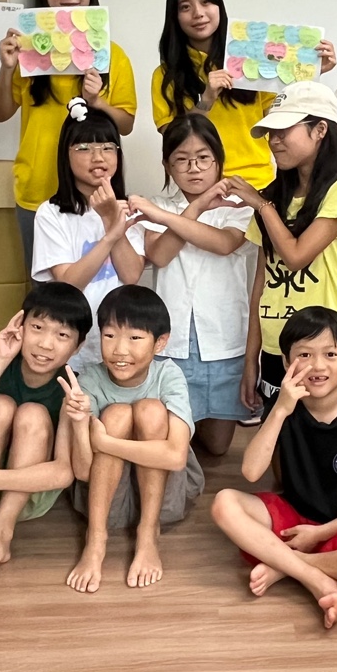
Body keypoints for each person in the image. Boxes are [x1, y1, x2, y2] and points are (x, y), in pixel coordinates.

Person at [210, 308, 337, 630]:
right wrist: (280, 410)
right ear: (287, 362)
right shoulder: (284, 408)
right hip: (295, 518)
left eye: (331, 354)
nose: (317, 365)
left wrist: (321, 534)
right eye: (304, 355)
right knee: (224, 503)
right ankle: (315, 577)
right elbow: (251, 472)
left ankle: (287, 565)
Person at [223, 81, 337, 421]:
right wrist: (251, 360)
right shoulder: (272, 197)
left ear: (320, 130)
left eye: (283, 131)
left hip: (328, 347)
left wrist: (261, 205)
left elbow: (297, 256)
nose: (274, 141)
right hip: (278, 347)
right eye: (270, 133)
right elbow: (262, 285)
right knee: (282, 443)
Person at [0, 0, 138, 272]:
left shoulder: (113, 55)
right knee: (45, 289)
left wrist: (98, 103)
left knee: (100, 281)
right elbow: (0, 113)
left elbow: (126, 124)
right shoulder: (29, 52)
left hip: (94, 194)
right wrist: (7, 68)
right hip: (37, 189)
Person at [64, 286, 204, 594]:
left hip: (164, 497)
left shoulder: (168, 375)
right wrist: (79, 423)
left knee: (151, 411)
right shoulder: (90, 380)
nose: (120, 350)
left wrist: (107, 444)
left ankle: (147, 534)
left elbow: (176, 457)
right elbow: (83, 471)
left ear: (160, 342)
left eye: (135, 338)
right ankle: (95, 539)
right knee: (115, 415)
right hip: (106, 498)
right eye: (110, 335)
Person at [128, 114, 254, 456]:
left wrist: (168, 217)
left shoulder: (239, 206)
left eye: (203, 158)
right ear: (167, 165)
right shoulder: (158, 204)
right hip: (175, 339)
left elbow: (224, 244)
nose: (194, 168)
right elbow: (160, 254)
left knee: (217, 447)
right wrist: (195, 208)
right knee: (175, 438)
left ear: (218, 160)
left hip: (223, 336)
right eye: (182, 160)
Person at [0, 282, 92, 565]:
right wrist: (0, 359)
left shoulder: (70, 390)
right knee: (0, 404)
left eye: (62, 335)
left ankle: (2, 530)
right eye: (37, 327)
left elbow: (64, 472)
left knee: (32, 413)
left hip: (24, 488)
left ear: (78, 346)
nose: (45, 343)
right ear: (20, 326)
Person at [151, 0, 337, 188]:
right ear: (174, 16)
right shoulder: (165, 76)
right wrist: (206, 100)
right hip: (201, 188)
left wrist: (310, 75)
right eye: (185, 7)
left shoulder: (252, 59)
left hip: (259, 183)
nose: (198, 13)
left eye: (206, 2)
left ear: (219, 7)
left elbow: (279, 120)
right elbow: (172, 141)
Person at [30, 102, 146, 369]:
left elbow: (131, 276)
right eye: (84, 148)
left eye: (108, 147)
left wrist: (110, 217)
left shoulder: (131, 207)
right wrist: (110, 233)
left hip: (118, 342)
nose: (98, 157)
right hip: (71, 344)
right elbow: (69, 284)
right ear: (66, 154)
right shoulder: (52, 213)